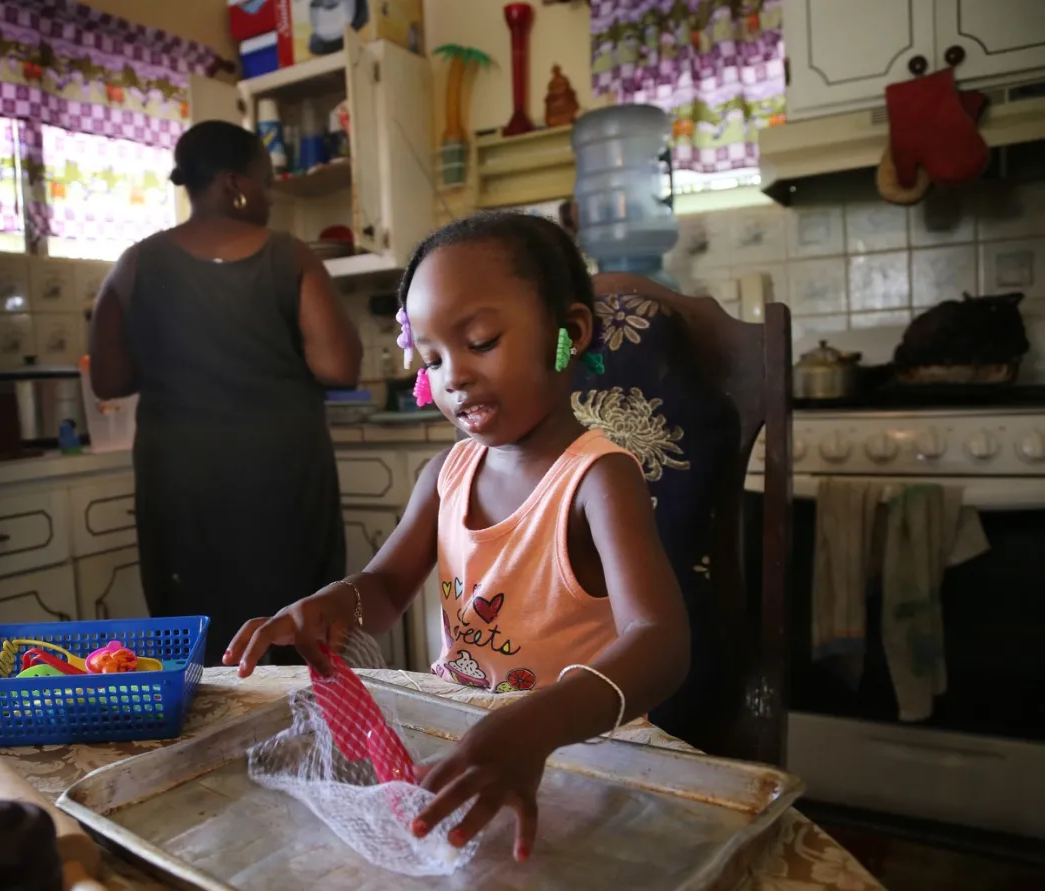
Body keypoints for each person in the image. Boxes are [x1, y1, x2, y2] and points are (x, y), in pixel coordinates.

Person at [224, 211, 689, 861]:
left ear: (570, 334)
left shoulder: (597, 481)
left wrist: (541, 721)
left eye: (482, 341)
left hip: (582, 757)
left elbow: (661, 643)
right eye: (434, 356)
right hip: (472, 743)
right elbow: (384, 589)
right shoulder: (446, 472)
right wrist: (334, 602)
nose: (453, 376)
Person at [88, 120, 362, 660]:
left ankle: (211, 737)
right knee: (295, 625)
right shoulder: (288, 255)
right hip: (281, 481)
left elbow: (109, 379)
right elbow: (338, 365)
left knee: (196, 637)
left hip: (179, 486)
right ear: (234, 183)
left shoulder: (135, 263)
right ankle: (304, 740)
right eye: (265, 182)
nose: (270, 195)